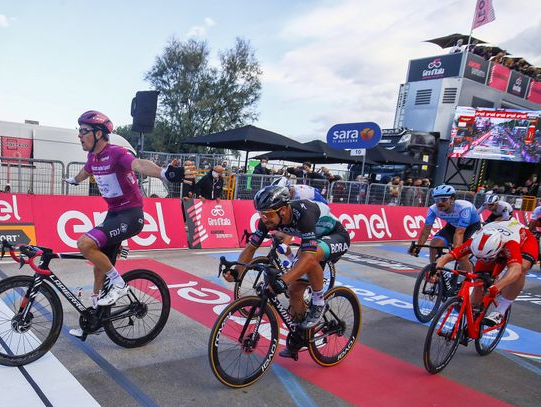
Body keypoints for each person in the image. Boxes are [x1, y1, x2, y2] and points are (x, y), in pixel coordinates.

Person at [65, 110, 194, 337]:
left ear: (98, 134)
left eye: (84, 131)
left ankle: (120, 286)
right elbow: (86, 171)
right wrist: (73, 180)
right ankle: (96, 316)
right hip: (113, 214)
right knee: (99, 266)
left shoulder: (116, 153)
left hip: (131, 215)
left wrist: (164, 173)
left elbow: (139, 164)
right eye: (79, 131)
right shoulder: (92, 157)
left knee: (85, 244)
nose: (79, 136)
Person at [222, 185, 351, 360]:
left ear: (282, 210)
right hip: (315, 240)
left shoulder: (303, 213)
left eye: (267, 214)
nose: (264, 218)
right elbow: (251, 247)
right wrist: (237, 272)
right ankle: (300, 337)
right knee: (294, 291)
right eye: (261, 214)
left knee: (310, 257)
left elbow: (308, 257)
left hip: (336, 236)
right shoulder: (267, 220)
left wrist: (282, 280)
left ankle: (319, 302)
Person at [434, 219, 538, 325]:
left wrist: (498, 287)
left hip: (524, 243)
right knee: (479, 283)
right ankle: (470, 321)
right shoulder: (474, 241)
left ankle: (500, 311)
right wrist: (435, 271)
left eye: (487, 258)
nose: (485, 261)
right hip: (493, 243)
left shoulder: (510, 244)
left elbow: (515, 269)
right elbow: (446, 257)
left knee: (521, 269)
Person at [408, 184, 481, 273]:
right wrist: (418, 247)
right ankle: (435, 270)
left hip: (471, 228)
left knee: (461, 256)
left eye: (443, 199)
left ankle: (470, 281)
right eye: (436, 200)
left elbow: (459, 232)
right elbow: (426, 230)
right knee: (434, 244)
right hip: (452, 227)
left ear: (452, 199)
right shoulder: (433, 209)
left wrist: (456, 251)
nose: (439, 203)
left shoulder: (464, 207)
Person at [270, 177, 329, 265]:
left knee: (296, 227)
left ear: (289, 190)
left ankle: (296, 260)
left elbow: (297, 219)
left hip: (320, 211)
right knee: (280, 235)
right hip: (307, 210)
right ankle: (292, 260)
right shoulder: (288, 194)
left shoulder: (301, 193)